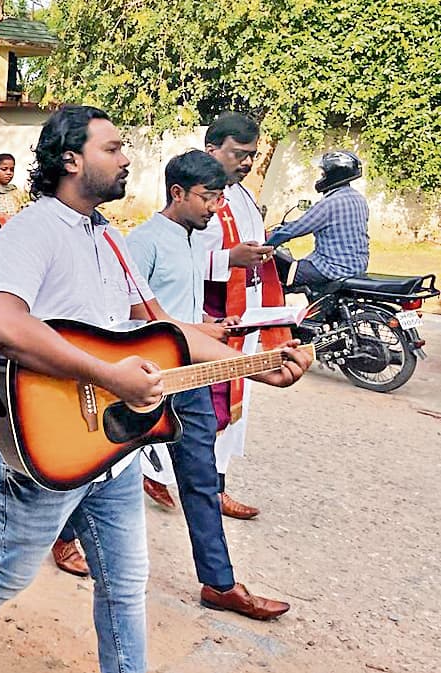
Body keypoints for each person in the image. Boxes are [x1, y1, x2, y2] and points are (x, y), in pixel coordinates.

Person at [0, 105, 312, 673]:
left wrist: (255, 364)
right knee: (7, 570)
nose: (126, 158)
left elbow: (165, 327)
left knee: (124, 587)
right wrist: (107, 374)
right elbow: (3, 325)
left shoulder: (111, 237)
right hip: (45, 442)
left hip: (111, 448)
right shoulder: (31, 230)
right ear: (71, 159)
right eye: (112, 148)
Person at [129, 149, 293, 619]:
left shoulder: (192, 240)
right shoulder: (143, 242)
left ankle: (219, 583)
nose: (215, 207)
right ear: (177, 192)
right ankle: (60, 538)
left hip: (193, 378)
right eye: (207, 196)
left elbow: (180, 306)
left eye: (220, 196)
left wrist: (210, 324)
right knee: (100, 470)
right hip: (147, 381)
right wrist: (200, 332)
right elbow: (135, 321)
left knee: (200, 479)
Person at [193, 112, 279, 520]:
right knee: (209, 405)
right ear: (212, 150)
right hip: (210, 314)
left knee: (232, 408)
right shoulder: (197, 195)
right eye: (238, 154)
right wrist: (231, 258)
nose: (246, 163)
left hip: (243, 310)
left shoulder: (242, 195)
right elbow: (182, 259)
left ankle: (217, 484)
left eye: (251, 155)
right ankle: (185, 481)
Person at [269, 150, 369, 289]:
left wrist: (268, 242)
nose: (321, 177)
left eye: (323, 173)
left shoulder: (330, 203)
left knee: (282, 272)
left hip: (332, 269)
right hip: (356, 266)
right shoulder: (359, 199)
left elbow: (295, 229)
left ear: (335, 174)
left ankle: (289, 307)